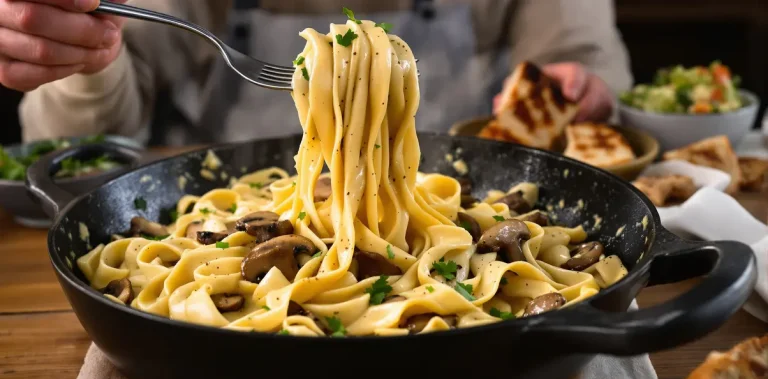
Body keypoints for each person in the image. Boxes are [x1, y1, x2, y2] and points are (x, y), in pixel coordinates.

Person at [1, 0, 632, 146]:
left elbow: (598, 67)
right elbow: (75, 145)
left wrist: (586, 91)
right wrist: (80, 53)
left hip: (473, 197)